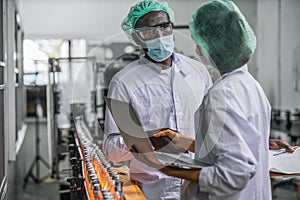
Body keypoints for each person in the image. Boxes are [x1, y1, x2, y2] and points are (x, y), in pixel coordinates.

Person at [151, 0, 274, 199]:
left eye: (198, 41)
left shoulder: (222, 95)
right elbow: (231, 147)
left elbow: (233, 175)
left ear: (209, 41)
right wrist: (182, 141)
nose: (197, 48)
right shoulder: (250, 85)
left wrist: (170, 170)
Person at [102, 0, 212, 199]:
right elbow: (111, 149)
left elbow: (215, 129)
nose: (160, 35)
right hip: (153, 190)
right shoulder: (124, 82)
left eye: (164, 26)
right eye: (149, 31)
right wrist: (144, 141)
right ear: (137, 38)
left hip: (200, 185)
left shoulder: (198, 72)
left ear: (172, 26)